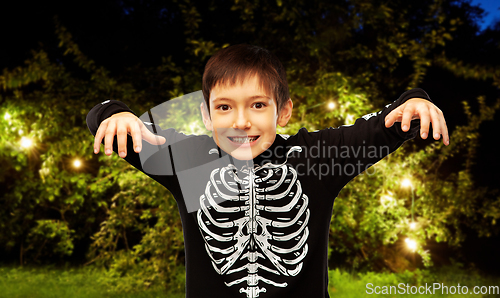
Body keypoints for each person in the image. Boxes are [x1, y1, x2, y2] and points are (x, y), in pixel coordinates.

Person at [86, 44, 449, 298]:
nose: (241, 121)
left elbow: (386, 123)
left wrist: (416, 100)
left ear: (284, 111)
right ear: (206, 116)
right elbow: (116, 123)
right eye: (224, 107)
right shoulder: (189, 160)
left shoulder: (315, 159)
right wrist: (114, 112)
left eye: (258, 105)